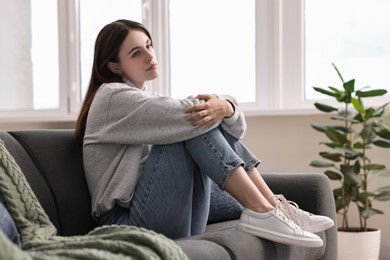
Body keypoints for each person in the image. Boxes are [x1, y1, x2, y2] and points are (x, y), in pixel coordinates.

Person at [75, 19, 333, 248]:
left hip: (165, 211)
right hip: (125, 223)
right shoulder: (112, 97)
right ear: (115, 67)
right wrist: (226, 104)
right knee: (194, 122)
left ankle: (274, 207)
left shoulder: (146, 99)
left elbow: (236, 130)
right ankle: (261, 210)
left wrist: (227, 108)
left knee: (200, 119)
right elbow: (191, 115)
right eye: (136, 53)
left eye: (149, 45)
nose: (149, 55)